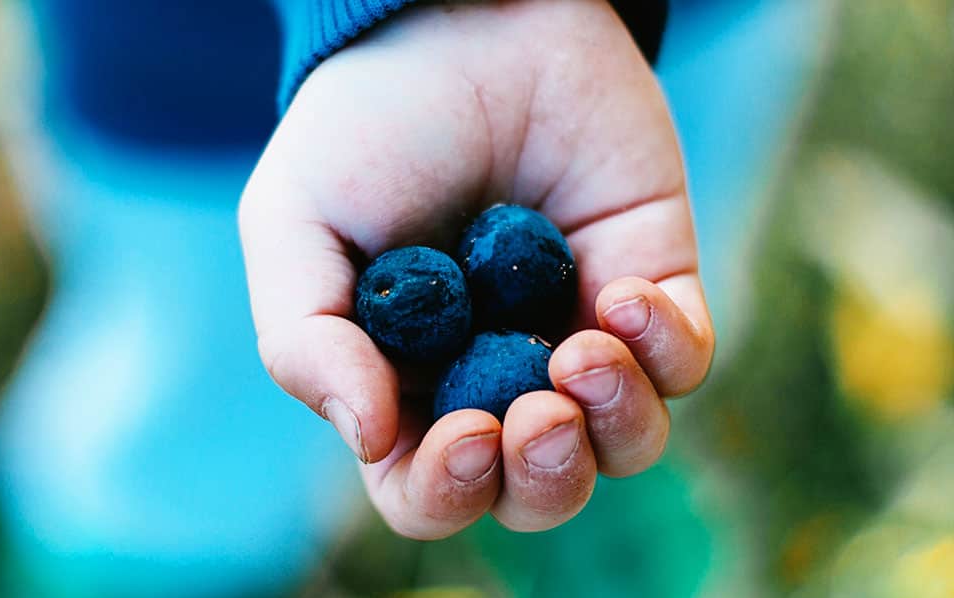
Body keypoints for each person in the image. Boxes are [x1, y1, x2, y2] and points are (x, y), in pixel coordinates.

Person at [240, 0, 715, 540]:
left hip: (647, 44)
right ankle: (216, 553)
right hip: (191, 113)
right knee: (204, 429)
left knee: (641, 313)